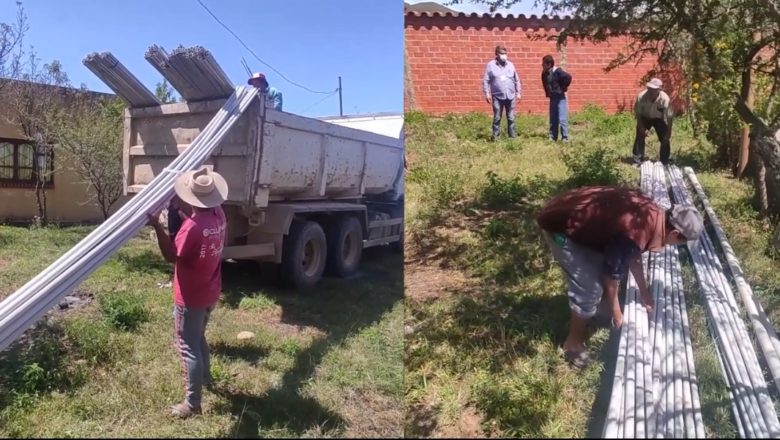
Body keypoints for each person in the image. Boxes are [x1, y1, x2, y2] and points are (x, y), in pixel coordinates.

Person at [536, 186, 704, 369]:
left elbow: (632, 255)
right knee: (589, 288)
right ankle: (572, 344)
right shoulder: (636, 233)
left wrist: (644, 292)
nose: (677, 246)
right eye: (682, 242)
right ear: (674, 234)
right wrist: (617, 315)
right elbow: (611, 275)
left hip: (569, 209)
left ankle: (597, 314)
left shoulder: (652, 214)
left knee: (602, 268)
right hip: (559, 226)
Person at [148, 166, 228, 418]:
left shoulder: (192, 227)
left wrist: (156, 225)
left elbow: (171, 256)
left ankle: (192, 404)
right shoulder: (219, 214)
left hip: (190, 295)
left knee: (187, 346)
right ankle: (205, 379)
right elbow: (203, 236)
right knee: (199, 337)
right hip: (210, 290)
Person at [483, 44, 521, 140]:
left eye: (505, 53)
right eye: (502, 53)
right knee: (497, 117)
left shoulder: (511, 65)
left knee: (511, 117)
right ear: (496, 54)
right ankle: (496, 137)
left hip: (510, 95)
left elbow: (516, 80)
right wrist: (487, 93)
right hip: (497, 96)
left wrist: (518, 93)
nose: (504, 55)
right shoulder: (491, 65)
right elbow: (486, 80)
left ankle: (512, 137)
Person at [632, 78, 674, 165]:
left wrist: (669, 132)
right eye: (649, 88)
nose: (650, 91)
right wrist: (641, 126)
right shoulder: (641, 97)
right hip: (644, 117)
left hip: (659, 119)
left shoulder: (665, 99)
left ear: (659, 90)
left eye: (653, 90)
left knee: (665, 138)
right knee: (640, 135)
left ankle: (664, 160)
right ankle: (638, 159)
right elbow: (638, 114)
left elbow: (669, 117)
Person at [541, 55, 572, 142]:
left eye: (543, 64)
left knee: (562, 118)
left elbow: (568, 77)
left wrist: (562, 88)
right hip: (553, 98)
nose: (542, 65)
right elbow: (545, 83)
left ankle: (564, 138)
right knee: (553, 118)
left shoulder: (557, 71)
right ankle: (553, 137)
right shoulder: (544, 73)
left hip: (560, 98)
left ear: (549, 64)